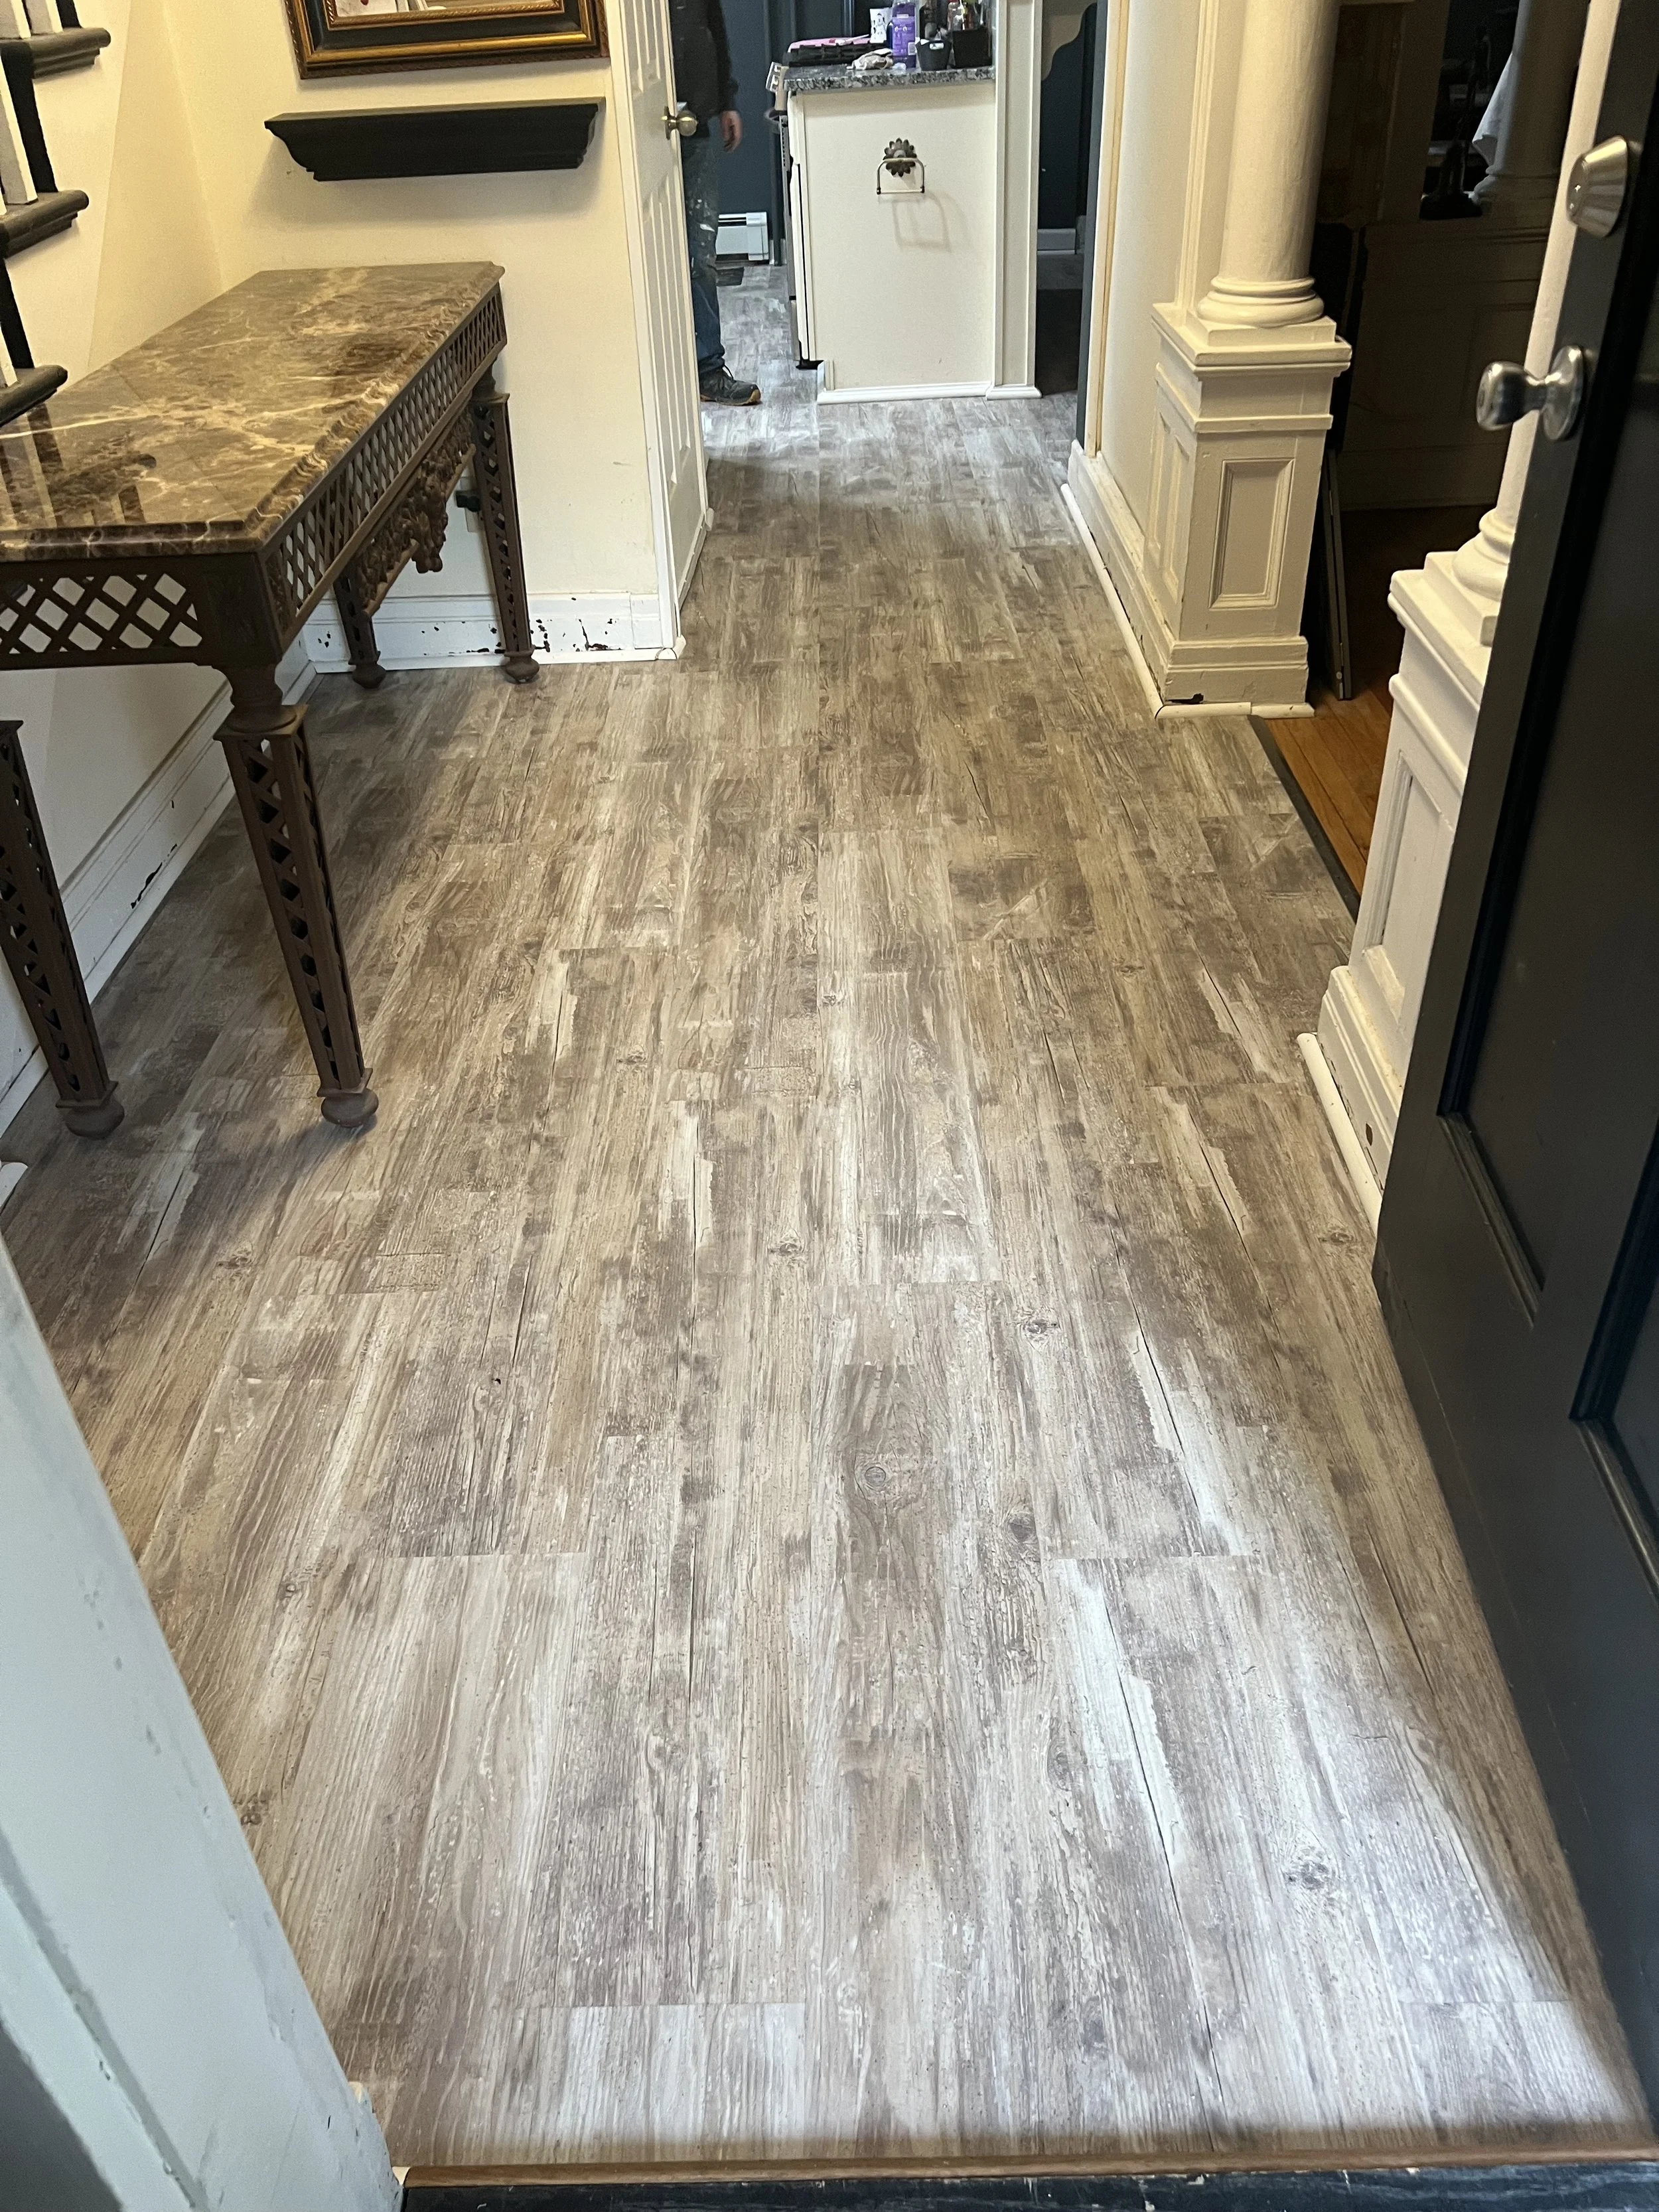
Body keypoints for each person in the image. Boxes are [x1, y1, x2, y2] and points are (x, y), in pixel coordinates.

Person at [670, 0, 761, 406]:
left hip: (694, 123)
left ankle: (707, 370)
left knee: (700, 254)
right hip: (645, 121)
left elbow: (716, 32)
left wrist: (727, 101)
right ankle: (668, 373)